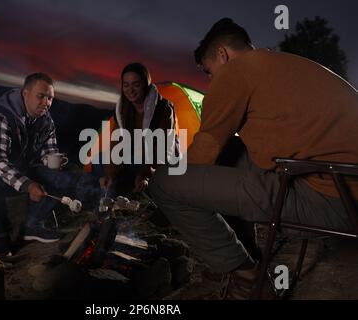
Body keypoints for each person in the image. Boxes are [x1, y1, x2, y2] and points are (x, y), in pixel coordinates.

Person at [149, 18, 358, 299]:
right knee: (231, 153)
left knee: (165, 183)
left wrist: (171, 205)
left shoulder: (238, 72)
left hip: (334, 201)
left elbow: (202, 156)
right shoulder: (285, 65)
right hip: (339, 183)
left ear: (223, 54)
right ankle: (246, 255)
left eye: (210, 72)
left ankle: (248, 278)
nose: (212, 80)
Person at [0, 73, 77, 257]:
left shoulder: (46, 121)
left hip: (18, 169)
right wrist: (28, 184)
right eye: (40, 96)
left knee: (55, 176)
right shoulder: (1, 116)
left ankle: (32, 227)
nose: (46, 102)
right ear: (25, 94)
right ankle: (2, 238)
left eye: (50, 98)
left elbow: (47, 153)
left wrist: (53, 162)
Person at [97, 62, 178, 199]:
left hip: (160, 159)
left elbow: (162, 150)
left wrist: (144, 174)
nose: (130, 90)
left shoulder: (163, 109)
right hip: (136, 155)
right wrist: (109, 174)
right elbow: (116, 144)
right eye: (126, 85)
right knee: (98, 161)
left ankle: (146, 187)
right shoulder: (122, 110)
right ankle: (119, 189)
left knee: (137, 166)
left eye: (136, 85)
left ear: (146, 84)